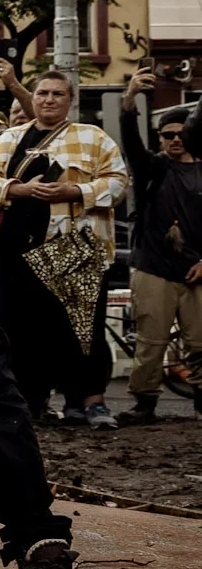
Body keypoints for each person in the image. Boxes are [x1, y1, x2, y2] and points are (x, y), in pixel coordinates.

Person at [0, 72, 128, 427]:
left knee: (82, 330)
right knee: (23, 331)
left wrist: (77, 192)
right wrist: (17, 190)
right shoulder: (8, 139)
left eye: (58, 94)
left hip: (74, 247)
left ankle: (90, 403)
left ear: (71, 100)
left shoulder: (93, 138)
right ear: (32, 98)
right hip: (16, 251)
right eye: (43, 93)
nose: (49, 99)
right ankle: (33, 403)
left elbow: (119, 182)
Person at [115, 69, 202, 424]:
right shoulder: (152, 168)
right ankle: (144, 403)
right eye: (168, 134)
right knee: (151, 342)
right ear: (160, 137)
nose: (175, 140)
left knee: (201, 344)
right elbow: (132, 144)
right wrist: (129, 100)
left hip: (197, 270)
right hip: (153, 268)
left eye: (182, 134)